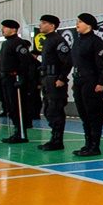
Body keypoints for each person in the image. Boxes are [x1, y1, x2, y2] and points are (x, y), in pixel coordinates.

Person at [71, 13, 103, 156]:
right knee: (83, 114)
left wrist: (101, 82)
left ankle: (95, 145)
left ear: (89, 24)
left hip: (91, 81)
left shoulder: (96, 41)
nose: (77, 24)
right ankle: (87, 143)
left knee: (93, 114)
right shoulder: (78, 41)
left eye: (80, 22)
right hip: (79, 81)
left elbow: (102, 63)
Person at [37, 15, 72, 151]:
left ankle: (58, 140)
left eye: (44, 23)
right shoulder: (47, 40)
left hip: (55, 79)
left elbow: (67, 61)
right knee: (48, 109)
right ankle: (54, 138)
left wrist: (62, 78)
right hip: (47, 79)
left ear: (52, 26)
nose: (41, 25)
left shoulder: (58, 40)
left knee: (55, 109)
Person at [0, 19, 33, 143]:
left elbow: (25, 62)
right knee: (10, 106)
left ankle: (21, 133)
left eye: (5, 27)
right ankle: (16, 131)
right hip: (6, 78)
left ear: (13, 29)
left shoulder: (18, 43)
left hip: (15, 78)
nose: (3, 30)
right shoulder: (5, 43)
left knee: (17, 106)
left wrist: (22, 78)